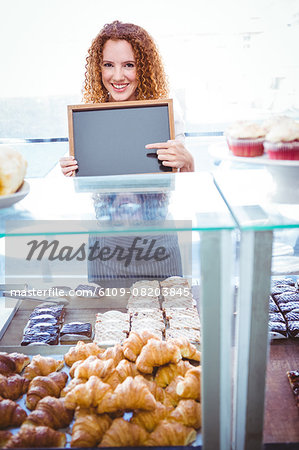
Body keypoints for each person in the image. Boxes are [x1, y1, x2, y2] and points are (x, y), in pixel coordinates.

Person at [60, 20, 194, 176]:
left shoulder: (165, 112)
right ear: (98, 68)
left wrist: (188, 161)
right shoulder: (87, 116)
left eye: (129, 65)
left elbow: (181, 182)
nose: (117, 77)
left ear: (144, 68)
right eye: (108, 65)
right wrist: (68, 170)